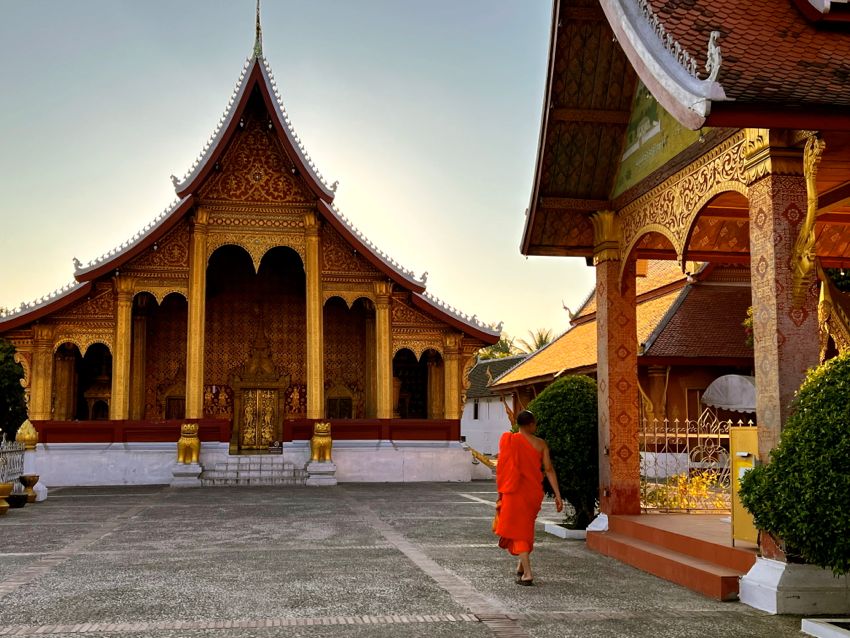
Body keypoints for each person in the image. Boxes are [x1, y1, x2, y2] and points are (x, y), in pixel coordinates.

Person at [494, 409, 563, 586]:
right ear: (531, 424)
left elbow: (502, 468)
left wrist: (501, 492)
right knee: (525, 527)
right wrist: (558, 495)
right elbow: (548, 470)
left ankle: (528, 574)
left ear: (519, 424)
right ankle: (521, 566)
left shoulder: (510, 441)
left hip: (514, 492)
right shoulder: (541, 444)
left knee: (518, 531)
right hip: (532, 493)